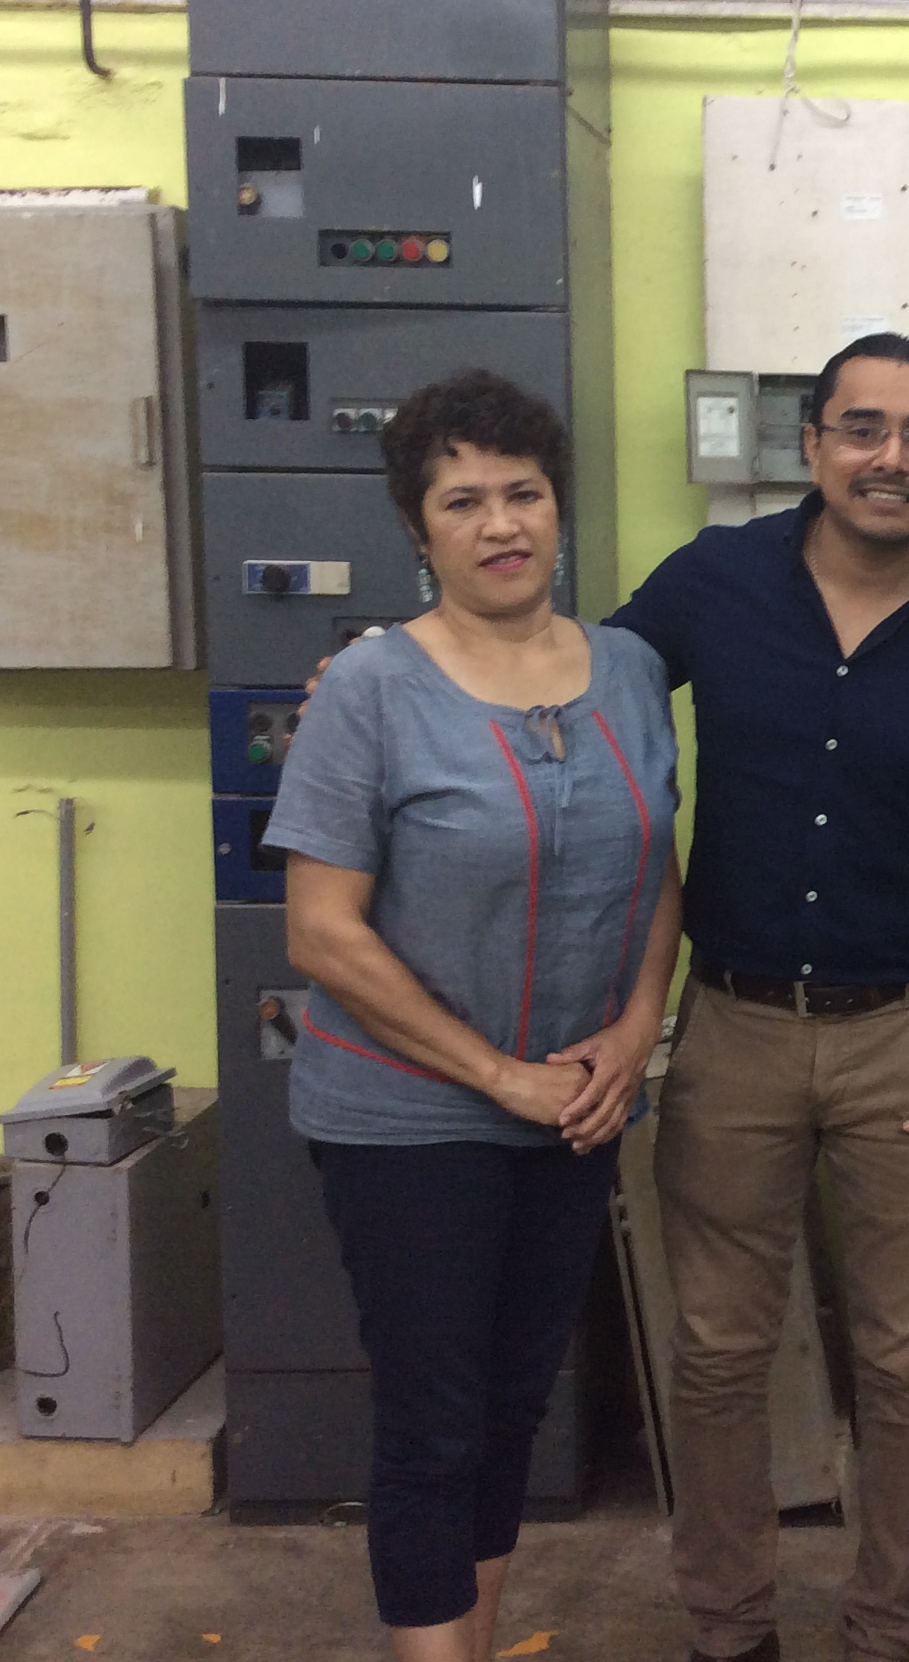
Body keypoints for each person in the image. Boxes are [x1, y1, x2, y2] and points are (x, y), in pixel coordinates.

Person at [608, 333, 909, 1662]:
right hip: (733, 1029)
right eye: (862, 427)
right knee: (716, 1352)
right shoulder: (715, 582)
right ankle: (728, 1628)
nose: (891, 457)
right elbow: (574, 690)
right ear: (812, 443)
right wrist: (405, 670)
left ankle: (885, 1632)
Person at [268, 369, 683, 1662]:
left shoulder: (628, 670)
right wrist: (500, 1077)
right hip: (408, 1118)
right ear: (418, 527)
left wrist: (633, 1034)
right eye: (463, 502)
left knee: (512, 1410)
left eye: (524, 493)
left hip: (574, 1109)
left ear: (558, 507)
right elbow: (321, 932)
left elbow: (659, 868)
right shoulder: (370, 689)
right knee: (434, 1421)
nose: (500, 524)